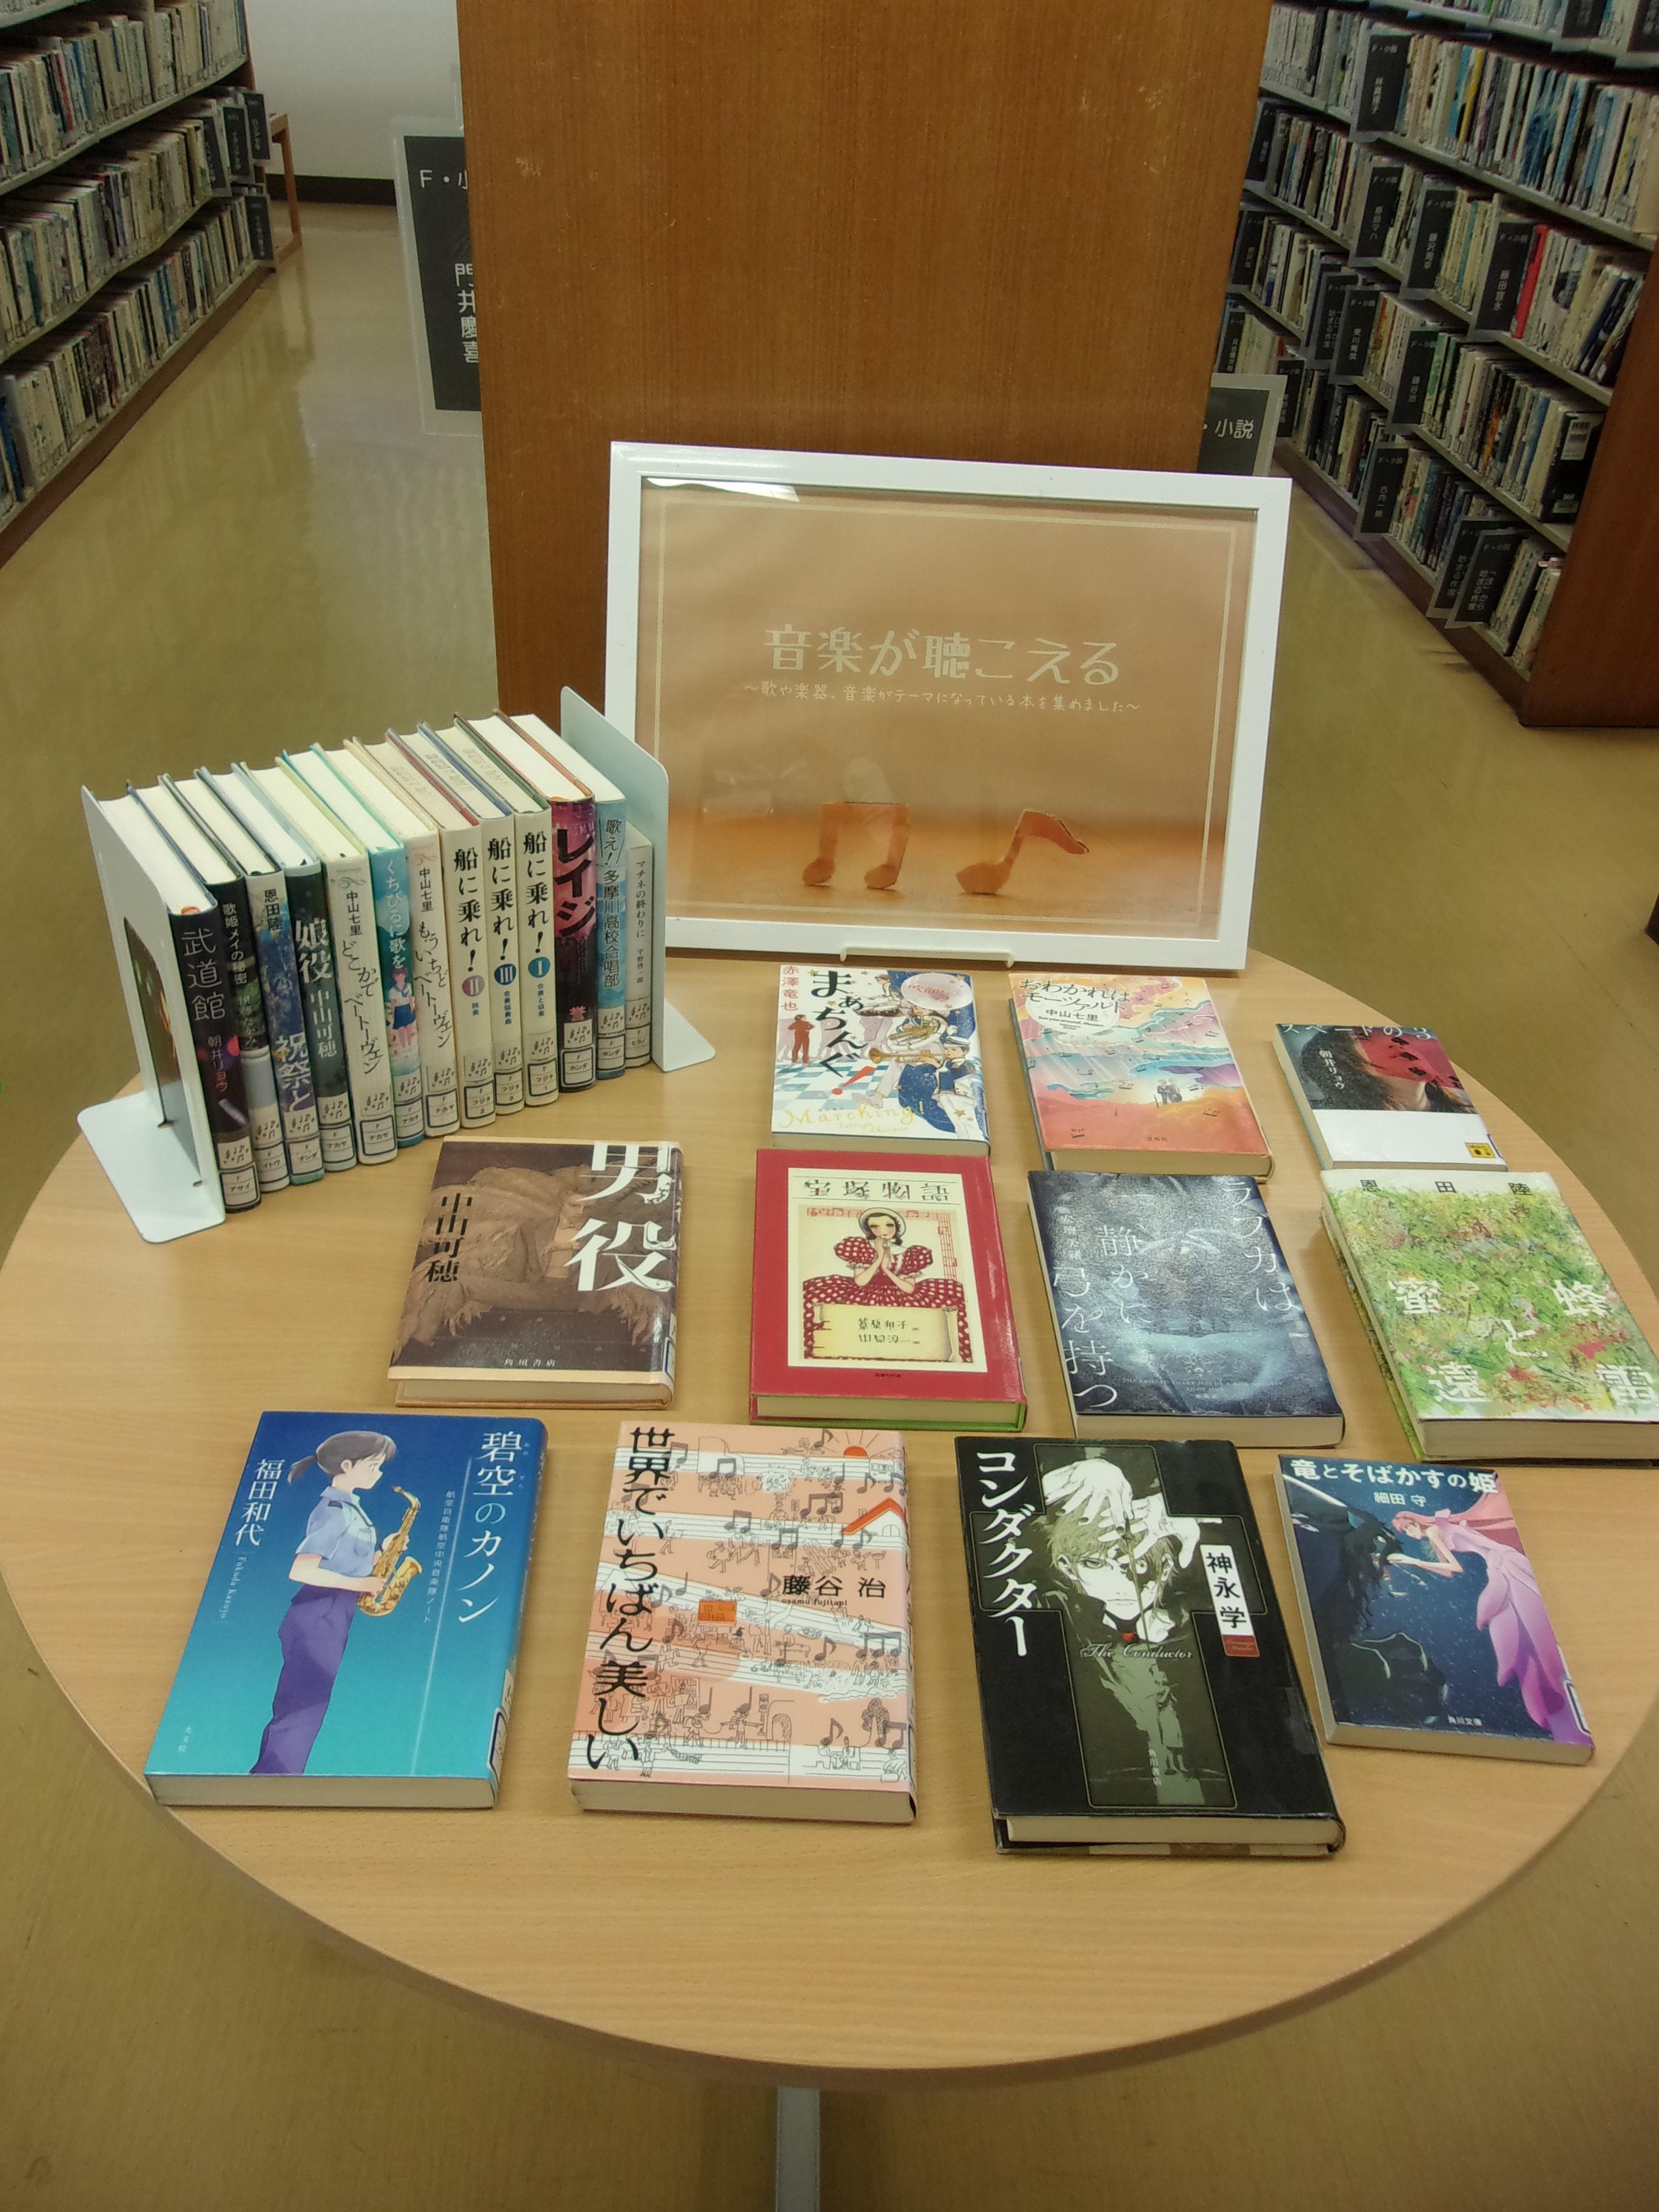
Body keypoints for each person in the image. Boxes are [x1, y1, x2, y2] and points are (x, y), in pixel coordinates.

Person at [250, 1430, 397, 1776]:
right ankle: (272, 1781)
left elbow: (345, 1563)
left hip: (333, 1614)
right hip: (318, 1612)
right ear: (347, 1466)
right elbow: (302, 1570)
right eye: (373, 1466)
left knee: (309, 1706)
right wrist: (360, 1584)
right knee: (302, 1707)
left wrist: (384, 1554)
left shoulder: (352, 1510)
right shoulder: (334, 1512)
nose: (378, 1473)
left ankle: (275, 1780)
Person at [800, 1207, 971, 1360]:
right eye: (875, 1226)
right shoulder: (862, 1249)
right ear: (869, 1229)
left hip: (900, 1294)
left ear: (897, 1227)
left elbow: (909, 1289)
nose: (882, 1231)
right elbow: (860, 1282)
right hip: (864, 1293)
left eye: (889, 1225)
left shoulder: (909, 1253)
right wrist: (879, 1257)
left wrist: (887, 1270)